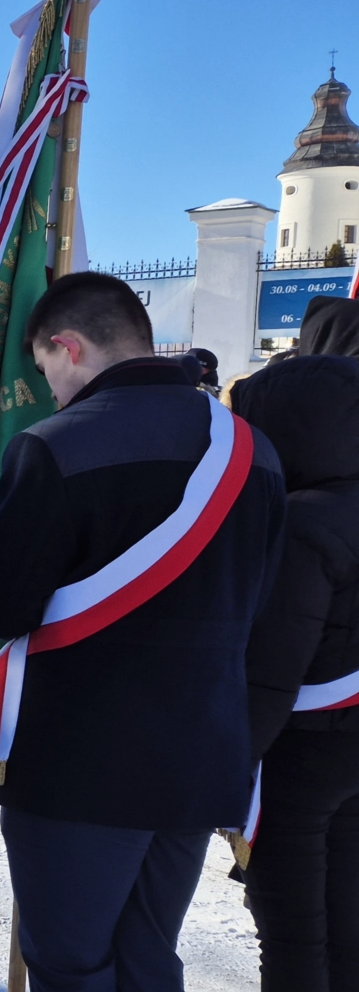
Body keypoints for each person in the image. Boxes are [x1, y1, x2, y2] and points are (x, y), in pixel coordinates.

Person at [0, 272, 286, 991]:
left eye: (46, 370)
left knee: (70, 966)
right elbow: (262, 601)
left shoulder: (54, 445)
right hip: (200, 757)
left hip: (81, 768)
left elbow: (2, 609)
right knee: (147, 960)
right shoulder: (251, 449)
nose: (48, 390)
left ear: (68, 346)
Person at [229, 355, 359, 992]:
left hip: (300, 757)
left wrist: (224, 771)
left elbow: (272, 670)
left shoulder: (303, 524)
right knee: (349, 921)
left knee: (293, 934)